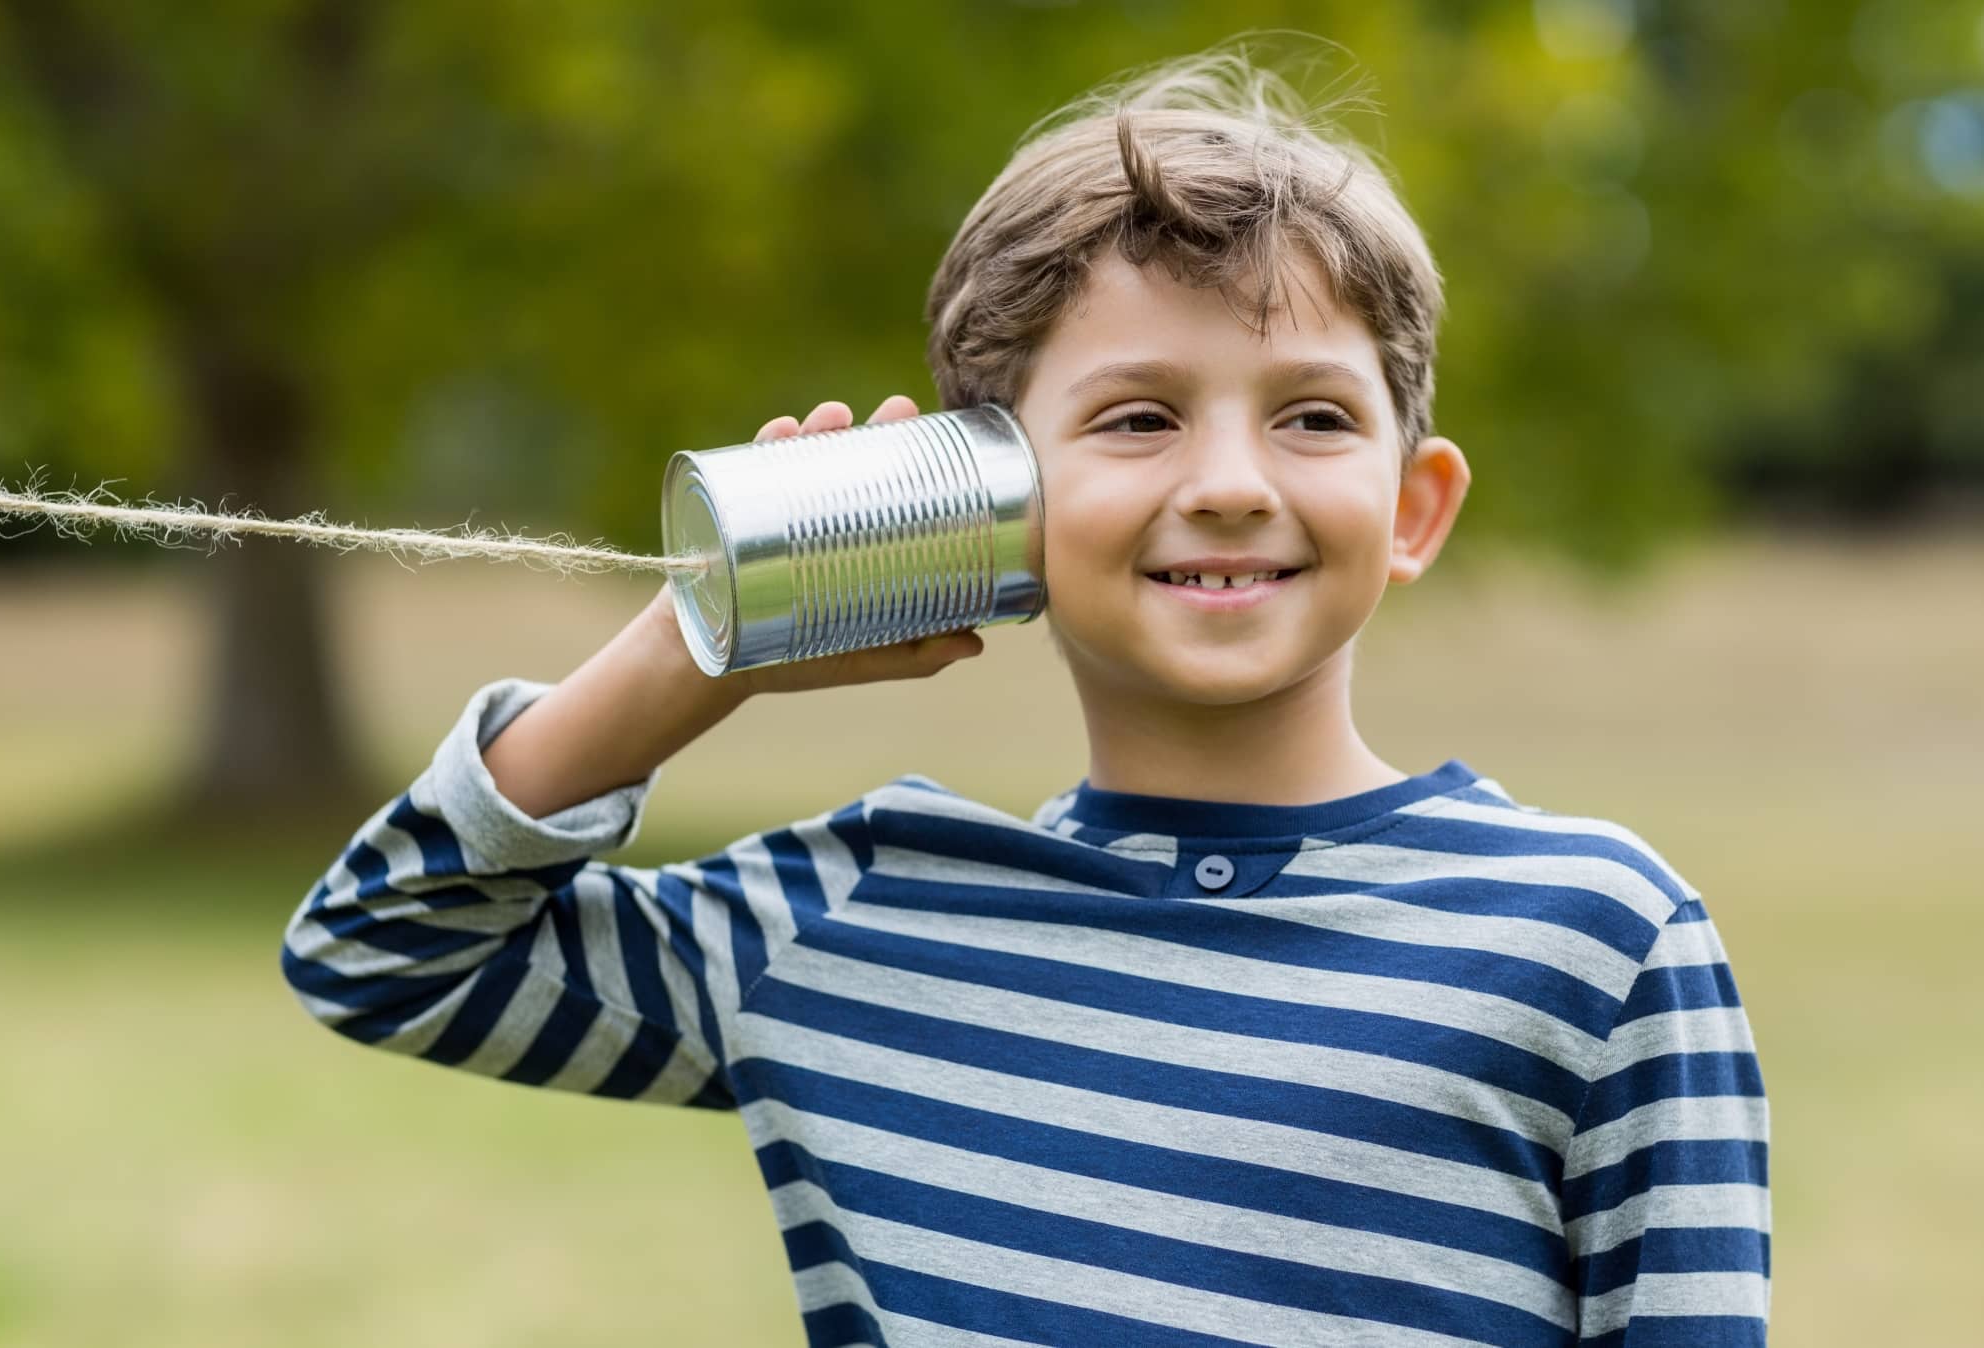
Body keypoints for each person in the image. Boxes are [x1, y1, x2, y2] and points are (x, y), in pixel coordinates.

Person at [281, 42, 1770, 1346]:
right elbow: (378, 953)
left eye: (1314, 415)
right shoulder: (854, 920)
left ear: (1414, 506)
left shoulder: (1594, 938)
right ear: (986, 501)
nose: (1232, 484)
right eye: (1138, 418)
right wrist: (708, 638)